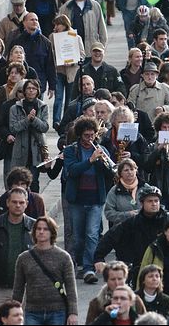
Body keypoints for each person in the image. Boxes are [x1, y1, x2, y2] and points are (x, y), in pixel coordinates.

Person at [63, 117, 116, 284]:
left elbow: (110, 173)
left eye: (92, 135)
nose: (89, 139)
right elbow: (71, 171)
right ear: (80, 135)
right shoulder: (71, 151)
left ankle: (88, 268)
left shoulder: (102, 150)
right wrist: (90, 160)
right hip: (77, 199)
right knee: (78, 236)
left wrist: (104, 163)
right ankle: (79, 262)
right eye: (86, 136)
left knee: (92, 234)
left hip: (95, 198)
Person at [93, 184, 169, 287]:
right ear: (142, 203)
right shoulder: (132, 222)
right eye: (150, 201)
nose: (154, 204)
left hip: (163, 268)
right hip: (137, 268)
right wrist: (98, 258)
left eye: (156, 201)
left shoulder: (168, 221)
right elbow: (111, 237)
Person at [12, 216, 79, 325]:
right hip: (32, 312)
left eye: (45, 229)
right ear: (34, 232)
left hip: (57, 311)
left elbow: (71, 287)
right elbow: (18, 289)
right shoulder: (23, 258)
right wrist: (14, 311)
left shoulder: (63, 257)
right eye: (38, 229)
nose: (41, 232)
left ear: (52, 232)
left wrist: (73, 313)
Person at [8, 79, 49, 190]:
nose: (31, 91)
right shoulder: (15, 108)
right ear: (24, 91)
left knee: (34, 181)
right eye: (28, 88)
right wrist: (27, 120)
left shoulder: (42, 106)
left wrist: (34, 119)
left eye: (33, 88)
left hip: (36, 149)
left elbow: (45, 127)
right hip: (21, 148)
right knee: (19, 181)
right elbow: (13, 128)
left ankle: (35, 204)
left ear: (37, 91)